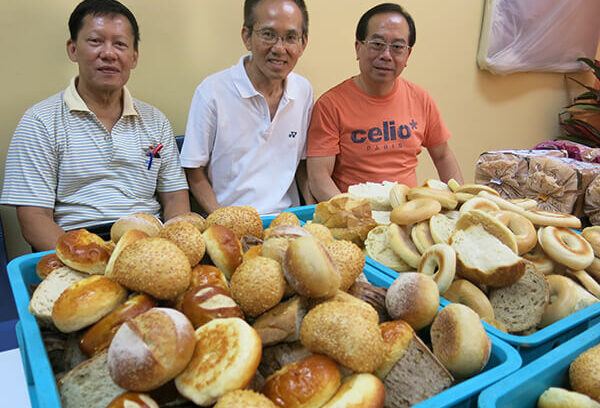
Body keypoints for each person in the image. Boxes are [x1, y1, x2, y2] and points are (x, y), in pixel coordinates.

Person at [0, 0, 190, 251]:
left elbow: (175, 197)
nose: (109, 53)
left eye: (120, 44)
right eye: (95, 41)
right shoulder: (40, 122)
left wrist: (174, 247)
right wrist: (89, 259)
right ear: (73, 49)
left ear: (133, 57)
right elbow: (34, 219)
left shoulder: (155, 120)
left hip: (149, 245)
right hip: (75, 245)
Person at [306, 3, 464, 202]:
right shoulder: (330, 106)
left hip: (408, 213)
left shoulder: (420, 99)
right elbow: (318, 178)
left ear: (407, 55)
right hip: (356, 216)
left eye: (397, 47)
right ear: (358, 47)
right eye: (377, 44)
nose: (386, 55)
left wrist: (459, 203)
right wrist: (352, 216)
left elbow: (443, 156)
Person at [180, 0, 314, 216]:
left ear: (303, 43)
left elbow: (302, 166)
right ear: (247, 37)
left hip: (288, 220)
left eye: (290, 38)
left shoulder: (303, 90)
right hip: (232, 221)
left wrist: (312, 215)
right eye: (268, 34)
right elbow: (193, 171)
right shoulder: (212, 91)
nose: (280, 49)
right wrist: (223, 219)